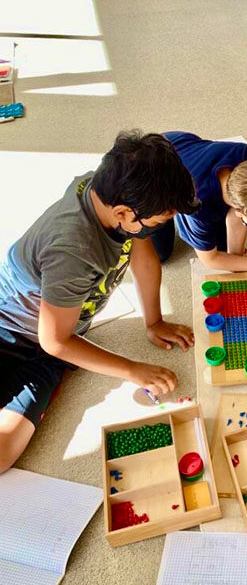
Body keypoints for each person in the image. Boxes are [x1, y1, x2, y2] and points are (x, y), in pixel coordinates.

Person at [0, 131, 197, 473]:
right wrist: (133, 369)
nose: (158, 229)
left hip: (51, 349)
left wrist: (154, 321)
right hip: (13, 330)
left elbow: (143, 256)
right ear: (124, 212)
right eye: (157, 222)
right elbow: (56, 340)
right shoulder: (73, 250)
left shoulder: (108, 189)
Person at [151, 131, 247, 284]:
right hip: (154, 168)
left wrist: (235, 257)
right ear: (240, 212)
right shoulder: (197, 206)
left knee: (227, 251)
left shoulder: (244, 154)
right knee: (160, 254)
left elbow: (238, 211)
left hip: (187, 155)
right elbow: (210, 259)